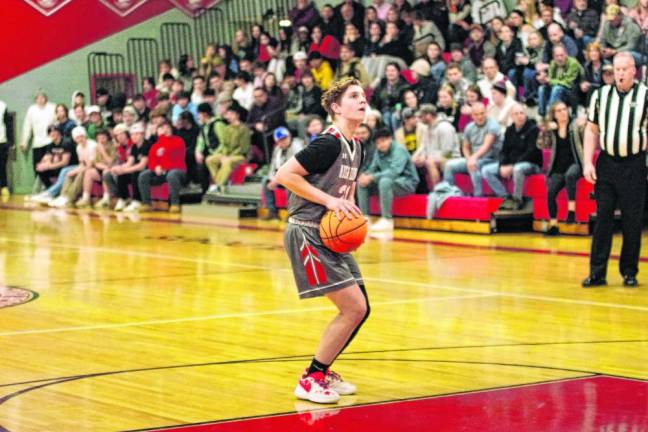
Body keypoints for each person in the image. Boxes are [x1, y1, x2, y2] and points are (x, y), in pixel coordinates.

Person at [274, 77, 369, 404]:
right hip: (307, 231)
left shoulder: (357, 145)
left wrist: (354, 223)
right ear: (335, 107)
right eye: (354, 96)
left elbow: (348, 189)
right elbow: (284, 175)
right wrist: (330, 203)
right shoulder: (327, 143)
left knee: (362, 307)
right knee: (353, 307)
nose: (362, 100)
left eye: (363, 96)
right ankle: (311, 378)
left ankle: (323, 371)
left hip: (330, 233)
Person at [582, 52, 647, 288]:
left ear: (634, 71)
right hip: (607, 164)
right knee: (603, 219)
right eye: (616, 69)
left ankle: (629, 271)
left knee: (632, 220)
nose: (619, 73)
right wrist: (588, 162)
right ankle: (597, 272)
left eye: (623, 69)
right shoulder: (601, 95)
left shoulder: (645, 96)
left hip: (634, 164)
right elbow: (591, 130)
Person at [358, 127, 419, 233]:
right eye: (378, 143)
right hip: (388, 182)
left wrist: (372, 177)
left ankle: (387, 220)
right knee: (362, 183)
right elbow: (372, 168)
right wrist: (365, 176)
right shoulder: (378, 152)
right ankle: (365, 218)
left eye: (383, 141)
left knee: (385, 181)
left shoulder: (399, 150)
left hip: (407, 183)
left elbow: (394, 172)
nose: (381, 145)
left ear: (390, 139)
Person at [482, 103, 542, 210]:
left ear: (525, 115)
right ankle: (505, 197)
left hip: (531, 164)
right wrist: (502, 165)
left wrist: (512, 165)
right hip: (512, 163)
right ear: (512, 117)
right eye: (516, 114)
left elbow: (531, 152)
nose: (520, 116)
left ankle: (517, 200)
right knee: (486, 170)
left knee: (518, 169)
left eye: (522, 113)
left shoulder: (533, 129)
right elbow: (504, 151)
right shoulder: (509, 130)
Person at [543, 101, 585, 235]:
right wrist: (546, 130)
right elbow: (541, 145)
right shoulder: (553, 131)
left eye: (564, 109)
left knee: (570, 175)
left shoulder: (575, 126)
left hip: (576, 164)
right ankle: (553, 225)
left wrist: (584, 124)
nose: (563, 113)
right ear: (554, 115)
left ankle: (571, 211)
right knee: (550, 192)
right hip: (558, 168)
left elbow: (587, 136)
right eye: (559, 111)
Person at [444, 102, 503, 196]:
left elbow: (486, 146)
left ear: (486, 113)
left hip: (491, 159)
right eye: (476, 114)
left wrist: (472, 159)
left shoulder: (493, 125)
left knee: (474, 165)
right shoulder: (469, 127)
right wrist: (468, 159)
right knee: (449, 165)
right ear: (472, 115)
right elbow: (465, 147)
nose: (480, 117)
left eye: (482, 113)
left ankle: (478, 197)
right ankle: (449, 194)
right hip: (475, 159)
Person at [138, 120, 187, 213]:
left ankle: (174, 204)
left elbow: (172, 155)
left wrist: (162, 138)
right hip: (161, 171)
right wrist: (156, 167)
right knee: (143, 175)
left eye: (167, 128)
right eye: (162, 128)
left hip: (177, 170)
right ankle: (146, 203)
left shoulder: (178, 141)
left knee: (171, 175)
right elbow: (151, 161)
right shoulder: (155, 146)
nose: (165, 130)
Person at [261, 127, 305, 220]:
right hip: (282, 177)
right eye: (280, 140)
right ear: (277, 141)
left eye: (285, 138)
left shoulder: (297, 146)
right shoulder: (277, 149)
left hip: (298, 175)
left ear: (289, 136)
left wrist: (277, 180)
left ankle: (292, 213)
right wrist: (272, 179)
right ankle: (272, 212)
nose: (283, 141)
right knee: (266, 182)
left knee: (290, 184)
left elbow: (294, 167)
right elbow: (273, 166)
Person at [0, 100, 12, 197]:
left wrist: (10, 141)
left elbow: (8, 124)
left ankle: (4, 187)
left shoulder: (3, 105)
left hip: (1, 141)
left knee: (2, 166)